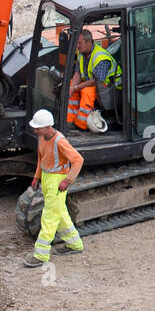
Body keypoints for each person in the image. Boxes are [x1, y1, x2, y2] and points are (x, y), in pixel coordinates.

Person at [23, 109, 84, 268]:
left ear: (48, 126)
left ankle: (41, 255)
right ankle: (75, 244)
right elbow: (41, 158)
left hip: (58, 181)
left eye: (38, 128)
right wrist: (37, 177)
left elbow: (78, 160)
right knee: (60, 213)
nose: (35, 130)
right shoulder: (42, 137)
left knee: (49, 216)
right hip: (47, 178)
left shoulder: (60, 141)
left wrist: (68, 180)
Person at [68, 29, 119, 131]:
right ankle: (70, 121)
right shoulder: (81, 54)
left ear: (89, 42)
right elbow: (77, 74)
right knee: (69, 86)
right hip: (92, 84)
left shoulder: (100, 58)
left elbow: (96, 81)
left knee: (87, 92)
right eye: (76, 43)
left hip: (109, 88)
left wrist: (77, 87)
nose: (77, 46)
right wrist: (72, 87)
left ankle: (81, 125)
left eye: (80, 43)